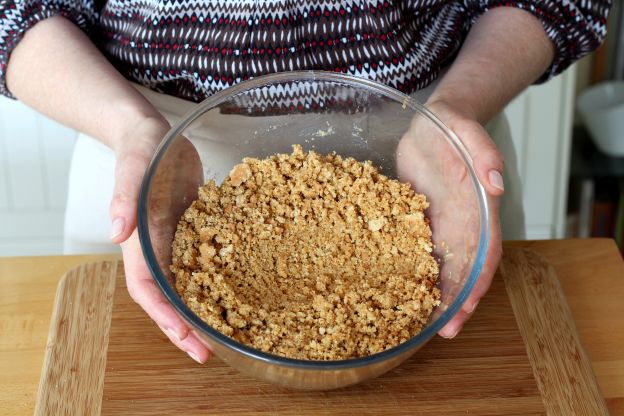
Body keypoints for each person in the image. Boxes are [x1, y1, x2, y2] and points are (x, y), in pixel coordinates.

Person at [0, 1, 610, 364]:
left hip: (434, 141)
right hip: (142, 141)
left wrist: (454, 112)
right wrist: (130, 129)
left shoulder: (439, 143)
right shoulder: (140, 143)